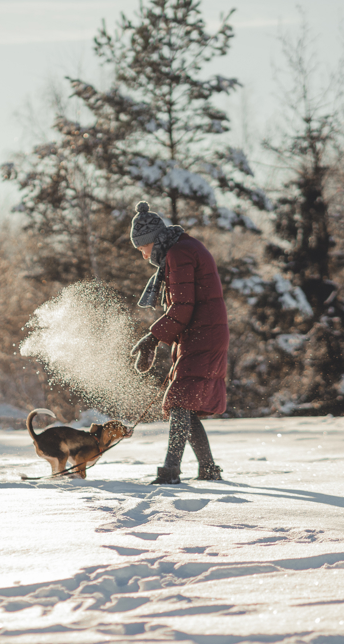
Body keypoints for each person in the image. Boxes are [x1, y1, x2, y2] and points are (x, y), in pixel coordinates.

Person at [127, 201, 227, 484]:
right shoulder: (182, 248)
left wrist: (152, 338)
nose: (143, 254)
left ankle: (171, 471)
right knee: (184, 404)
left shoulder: (179, 253)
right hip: (202, 333)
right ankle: (208, 469)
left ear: (152, 240)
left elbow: (182, 306)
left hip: (203, 334)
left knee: (180, 401)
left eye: (142, 247)